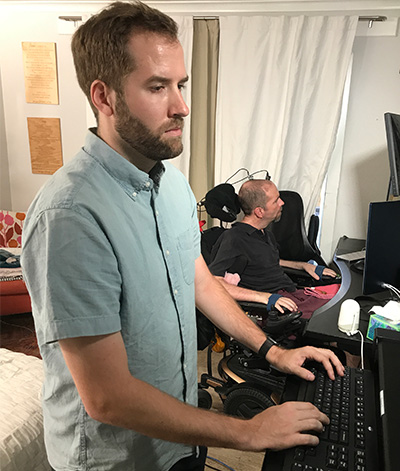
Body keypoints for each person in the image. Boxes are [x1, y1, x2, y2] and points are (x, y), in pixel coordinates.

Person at [21, 2, 344, 471]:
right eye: (158, 87)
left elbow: (199, 281)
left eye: (181, 84)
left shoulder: (170, 183)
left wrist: (274, 352)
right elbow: (107, 398)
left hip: (179, 434)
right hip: (118, 458)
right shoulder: (69, 217)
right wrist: (248, 431)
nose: (182, 106)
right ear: (104, 97)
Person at [209, 179, 338, 319]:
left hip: (291, 293)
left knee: (340, 305)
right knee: (331, 322)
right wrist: (266, 298)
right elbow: (215, 282)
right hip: (275, 307)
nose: (282, 203)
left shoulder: (264, 233)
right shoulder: (234, 238)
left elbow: (269, 261)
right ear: (259, 212)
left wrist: (303, 266)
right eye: (276, 200)